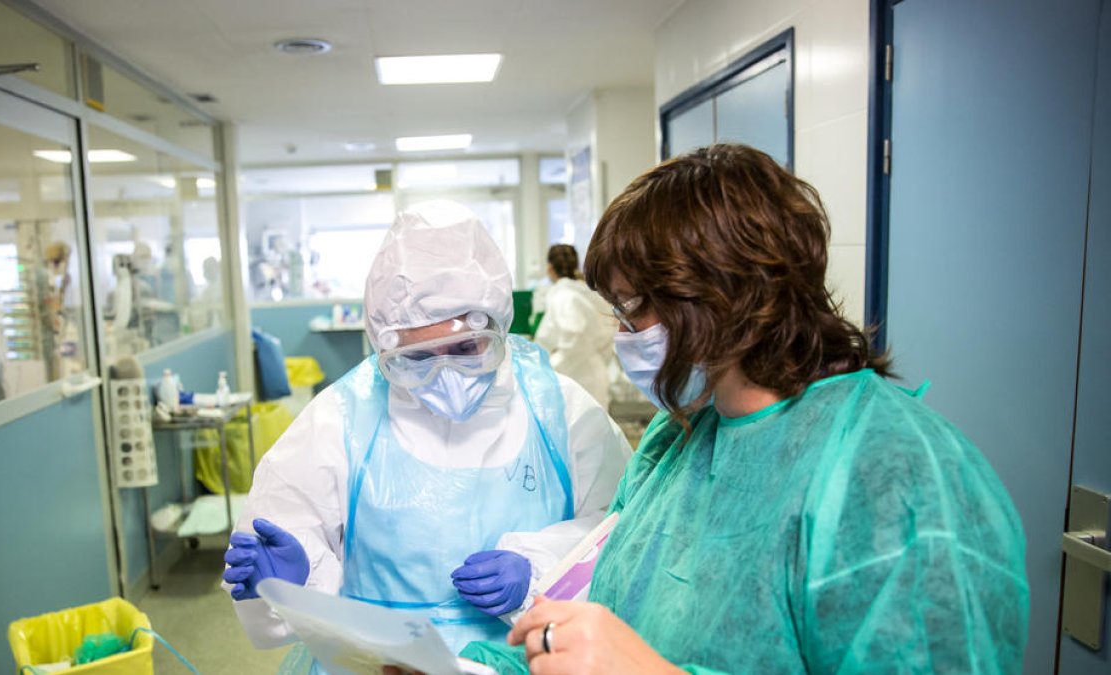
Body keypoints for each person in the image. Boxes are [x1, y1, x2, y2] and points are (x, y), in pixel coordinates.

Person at [459, 145, 1029, 674]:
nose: (623, 335)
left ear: (721, 298)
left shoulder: (896, 479)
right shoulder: (678, 438)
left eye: (632, 311)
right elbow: (606, 622)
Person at [222, 200, 632, 672]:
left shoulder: (558, 409)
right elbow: (282, 533)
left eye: (466, 348)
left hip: (525, 659)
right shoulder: (341, 418)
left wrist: (540, 567)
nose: (447, 373)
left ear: (498, 324)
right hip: (374, 665)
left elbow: (620, 530)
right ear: (384, 347)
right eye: (417, 357)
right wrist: (293, 584)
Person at [533, 244, 617, 407]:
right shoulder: (585, 293)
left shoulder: (565, 297)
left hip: (577, 378)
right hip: (590, 373)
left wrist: (549, 368)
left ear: (549, 268)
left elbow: (573, 339)